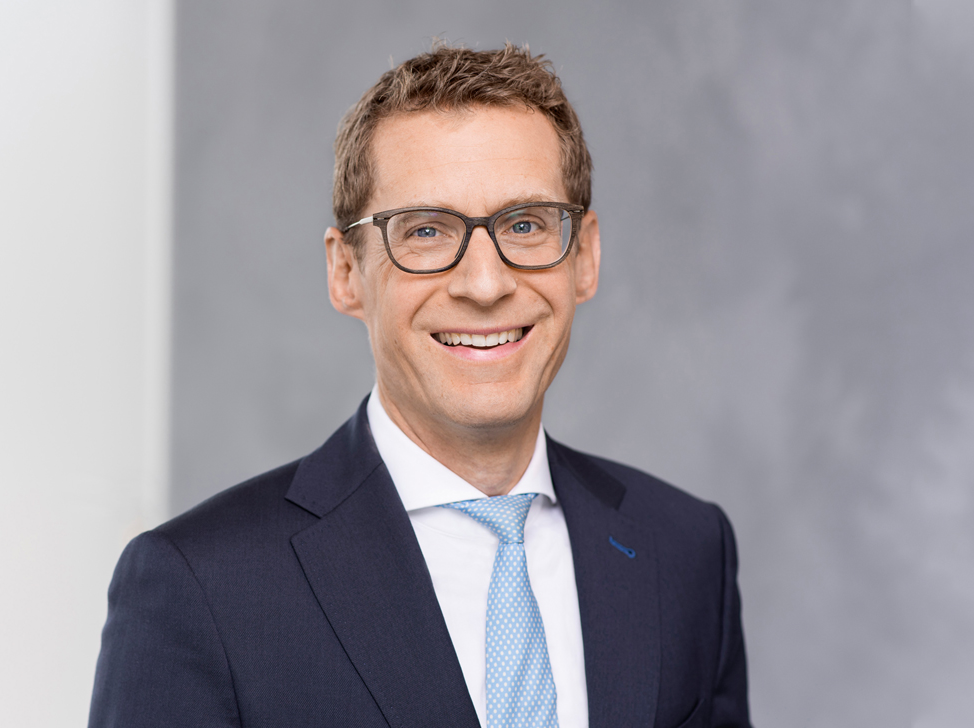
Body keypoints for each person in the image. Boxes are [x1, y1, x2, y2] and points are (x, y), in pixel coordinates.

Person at [89, 44, 750, 728]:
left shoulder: (686, 550)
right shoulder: (201, 586)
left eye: (525, 224)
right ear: (346, 273)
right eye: (427, 231)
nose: (485, 284)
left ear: (584, 257)